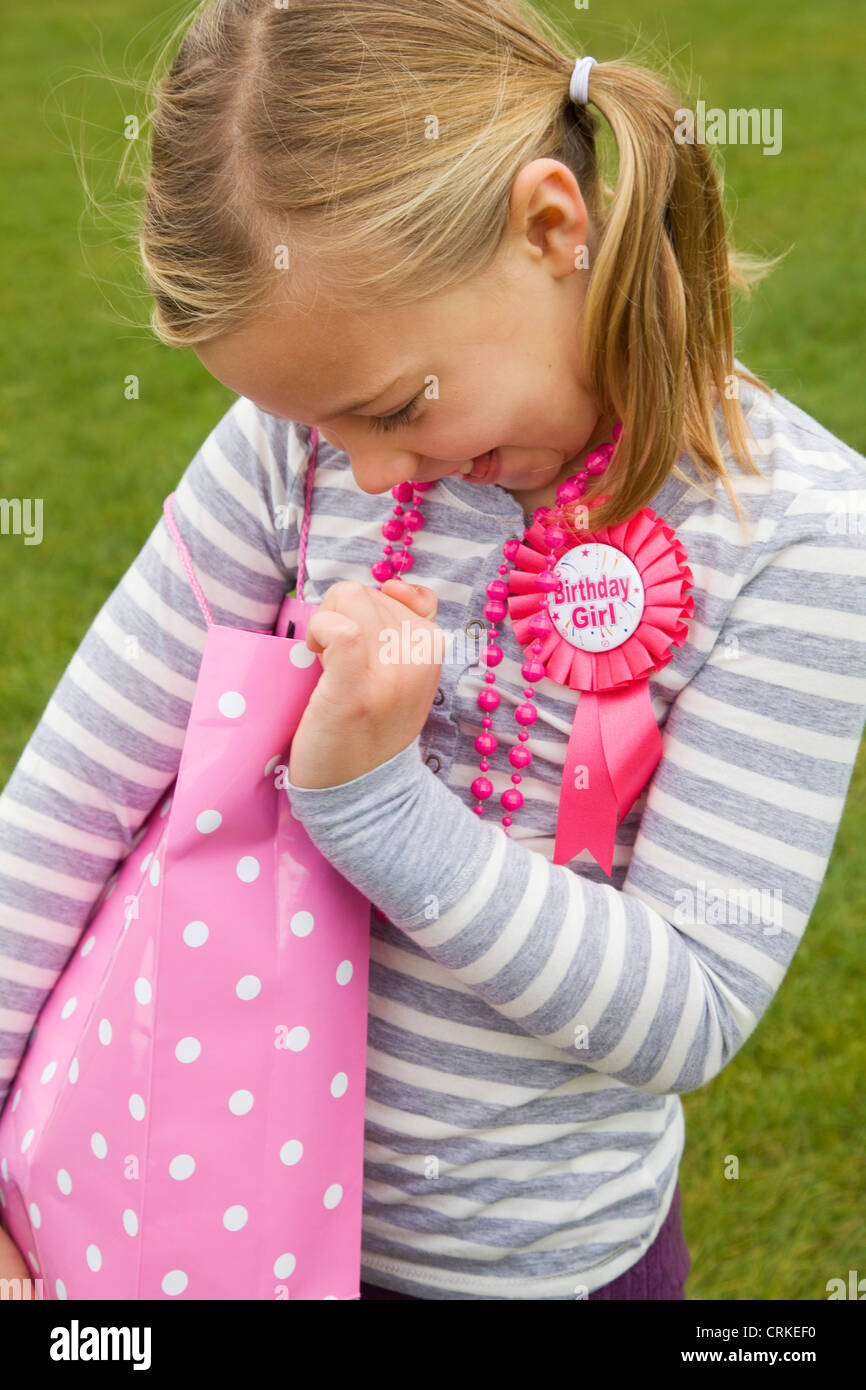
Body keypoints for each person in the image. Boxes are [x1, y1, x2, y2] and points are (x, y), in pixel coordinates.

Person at [1, 0, 864, 1301]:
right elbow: (63, 810)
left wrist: (373, 806)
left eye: (396, 405)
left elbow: (684, 1006)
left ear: (553, 227)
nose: (365, 468)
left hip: (524, 1267)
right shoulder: (295, 449)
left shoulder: (797, 539)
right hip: (195, 1221)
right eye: (316, 425)